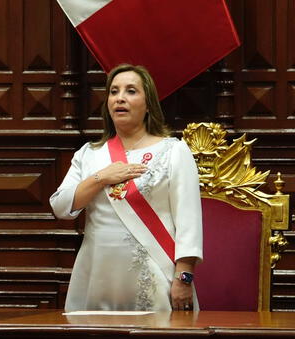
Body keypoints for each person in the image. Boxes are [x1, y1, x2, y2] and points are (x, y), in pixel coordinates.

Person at [50, 64, 202, 312]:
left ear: (149, 104)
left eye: (131, 91)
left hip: (155, 275)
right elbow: (60, 206)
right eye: (114, 91)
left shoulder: (173, 151)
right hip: (97, 275)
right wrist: (101, 177)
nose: (120, 98)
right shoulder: (90, 154)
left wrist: (184, 278)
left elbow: (189, 223)